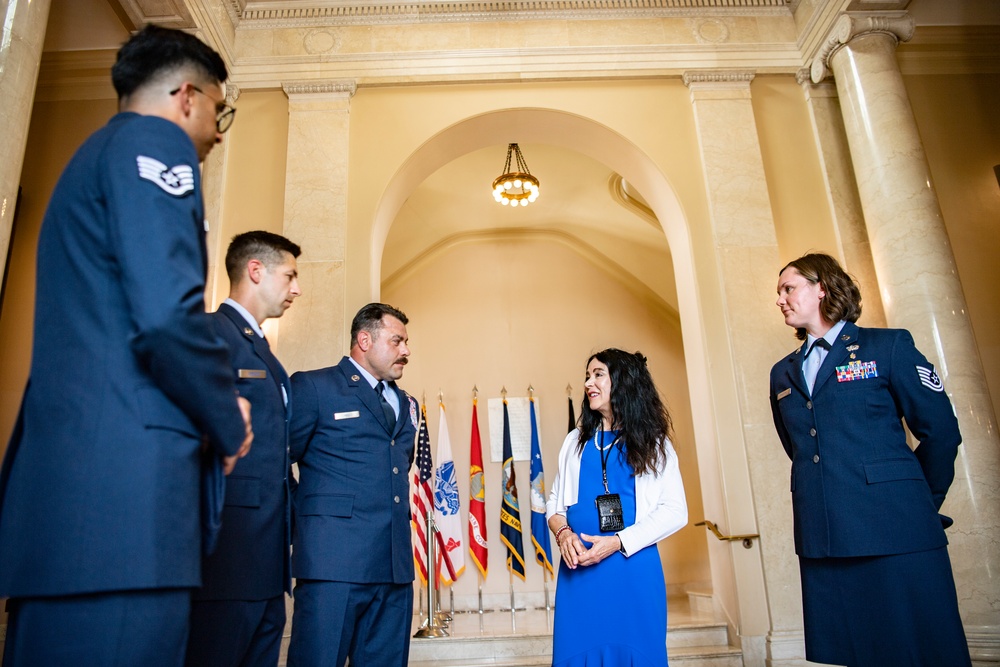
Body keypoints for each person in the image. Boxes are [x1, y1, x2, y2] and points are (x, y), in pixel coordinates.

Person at [0, 25, 252, 667]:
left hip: (78, 512)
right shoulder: (154, 144)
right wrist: (229, 421)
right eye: (220, 111)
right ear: (187, 96)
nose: (219, 132)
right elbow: (168, 316)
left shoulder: (92, 158)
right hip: (125, 514)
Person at [769, 252, 971, 667]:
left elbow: (941, 432)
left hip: (897, 529)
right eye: (779, 292)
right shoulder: (782, 373)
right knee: (860, 654)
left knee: (926, 650)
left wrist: (920, 504)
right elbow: (803, 449)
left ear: (821, 288)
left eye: (789, 288)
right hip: (827, 537)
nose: (780, 300)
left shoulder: (888, 345)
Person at [185, 231, 302, 667]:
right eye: (289, 275)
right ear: (256, 270)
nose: (296, 288)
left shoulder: (264, 350)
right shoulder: (213, 333)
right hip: (228, 554)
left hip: (268, 560)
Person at [287, 303, 419, 667]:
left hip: (393, 568)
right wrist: (306, 519)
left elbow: (396, 468)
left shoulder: (408, 403)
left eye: (406, 342)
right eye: (397, 341)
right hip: (332, 564)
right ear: (364, 339)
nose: (406, 350)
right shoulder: (314, 387)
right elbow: (277, 462)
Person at [546, 348, 688, 666]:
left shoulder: (654, 442)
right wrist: (564, 534)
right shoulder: (574, 442)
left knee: (637, 654)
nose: (588, 383)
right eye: (587, 375)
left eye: (598, 375)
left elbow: (675, 509)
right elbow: (553, 506)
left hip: (632, 569)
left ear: (623, 382)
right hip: (579, 573)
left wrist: (617, 542)